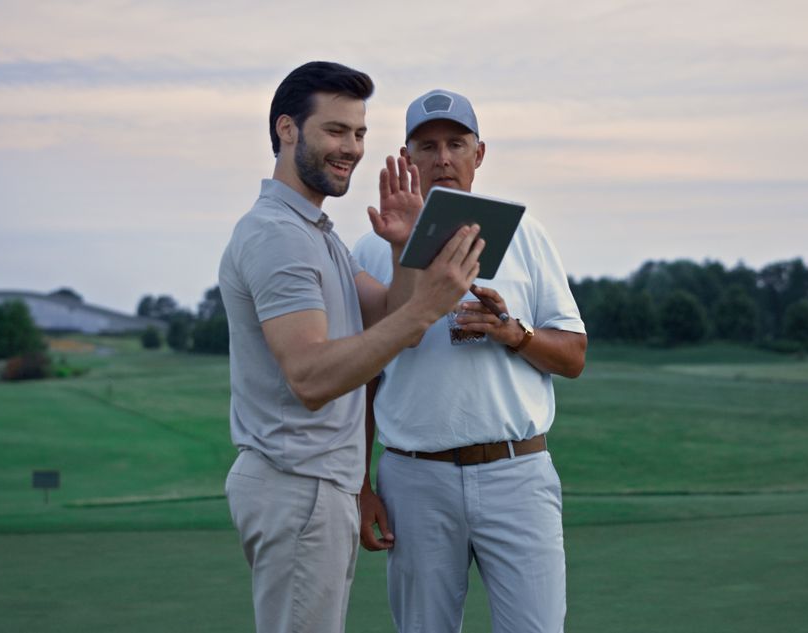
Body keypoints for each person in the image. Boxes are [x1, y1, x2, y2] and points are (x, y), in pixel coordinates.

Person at [219, 64, 485, 633]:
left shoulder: (315, 234)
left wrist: (406, 250)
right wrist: (427, 306)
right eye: (336, 130)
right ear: (287, 130)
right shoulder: (279, 236)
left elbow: (387, 315)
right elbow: (310, 377)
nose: (353, 148)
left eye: (360, 133)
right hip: (297, 482)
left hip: (315, 486)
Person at [351, 89, 587, 633]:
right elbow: (361, 378)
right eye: (427, 146)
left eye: (456, 144)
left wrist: (514, 334)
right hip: (414, 479)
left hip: (517, 472)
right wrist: (360, 487)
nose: (443, 158)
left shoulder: (526, 236)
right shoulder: (372, 248)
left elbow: (574, 355)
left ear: (479, 154)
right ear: (407, 158)